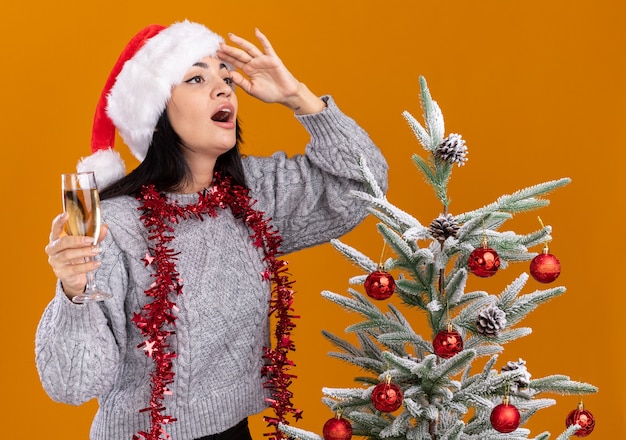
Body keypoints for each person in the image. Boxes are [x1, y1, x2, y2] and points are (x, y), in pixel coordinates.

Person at [36, 20, 388, 440]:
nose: (223, 88)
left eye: (226, 77)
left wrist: (298, 96)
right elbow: (73, 384)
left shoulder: (254, 196)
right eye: (197, 78)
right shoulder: (117, 224)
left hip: (235, 431)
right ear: (156, 111)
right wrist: (74, 295)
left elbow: (362, 184)